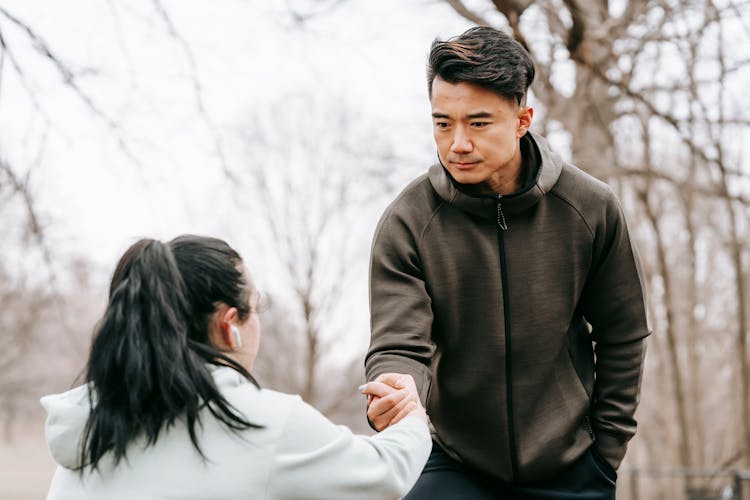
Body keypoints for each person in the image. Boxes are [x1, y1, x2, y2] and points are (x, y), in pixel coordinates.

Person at [362, 26, 650, 499]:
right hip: (455, 462)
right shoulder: (409, 221)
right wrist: (395, 391)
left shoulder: (591, 207)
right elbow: (398, 344)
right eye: (442, 123)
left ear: (522, 120)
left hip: (573, 466)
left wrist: (606, 453)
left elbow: (623, 334)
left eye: (478, 123)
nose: (457, 143)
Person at [41, 235, 431, 500]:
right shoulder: (262, 423)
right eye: (256, 308)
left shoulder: (86, 422)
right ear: (231, 326)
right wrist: (412, 416)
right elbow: (386, 475)